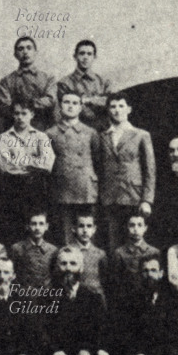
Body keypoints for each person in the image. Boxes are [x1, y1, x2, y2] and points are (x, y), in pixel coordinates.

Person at [99, 92, 156, 251]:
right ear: (108, 110)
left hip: (133, 196)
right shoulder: (103, 136)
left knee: (134, 241)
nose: (117, 110)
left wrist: (147, 200)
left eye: (121, 106)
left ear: (129, 109)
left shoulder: (141, 135)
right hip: (109, 197)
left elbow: (150, 169)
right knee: (112, 243)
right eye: (113, 106)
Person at [0, 99, 55, 244]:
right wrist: (33, 162)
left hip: (36, 188)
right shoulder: (4, 138)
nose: (20, 117)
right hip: (12, 190)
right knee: (13, 231)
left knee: (35, 228)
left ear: (32, 114)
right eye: (16, 113)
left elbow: (47, 164)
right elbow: (5, 166)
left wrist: (19, 161)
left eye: (24, 113)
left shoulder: (41, 137)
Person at [46, 91, 100, 245]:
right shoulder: (50, 133)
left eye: (75, 103)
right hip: (62, 190)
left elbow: (97, 161)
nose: (70, 106)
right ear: (60, 106)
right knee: (65, 237)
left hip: (86, 190)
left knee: (88, 233)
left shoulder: (90, 132)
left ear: (81, 107)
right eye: (66, 102)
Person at [0, 37, 56, 131]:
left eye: (29, 48)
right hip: (15, 130)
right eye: (20, 49)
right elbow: (4, 108)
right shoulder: (6, 81)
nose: (25, 52)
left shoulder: (48, 78)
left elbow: (51, 100)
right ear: (15, 54)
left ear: (36, 52)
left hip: (42, 128)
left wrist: (29, 103)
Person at [56, 40, 113, 130]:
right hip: (76, 131)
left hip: (102, 129)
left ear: (94, 57)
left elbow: (111, 104)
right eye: (82, 53)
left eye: (89, 54)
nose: (85, 57)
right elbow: (65, 110)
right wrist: (98, 101)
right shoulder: (64, 83)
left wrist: (87, 100)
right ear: (75, 56)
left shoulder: (104, 82)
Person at [111, 213, 160, 297]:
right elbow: (116, 282)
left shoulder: (154, 252)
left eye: (140, 225)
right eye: (132, 225)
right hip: (127, 300)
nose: (136, 229)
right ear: (127, 227)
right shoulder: (119, 253)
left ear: (145, 228)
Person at [9, 210, 57, 289]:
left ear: (46, 226)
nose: (37, 228)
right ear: (27, 226)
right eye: (34, 224)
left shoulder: (53, 250)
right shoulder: (17, 248)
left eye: (41, 224)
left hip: (47, 295)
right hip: (24, 295)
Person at [70, 211, 108, 302]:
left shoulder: (100, 254)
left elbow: (105, 280)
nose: (85, 230)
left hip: (96, 299)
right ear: (74, 228)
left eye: (89, 226)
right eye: (81, 226)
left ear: (94, 229)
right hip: (75, 299)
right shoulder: (68, 251)